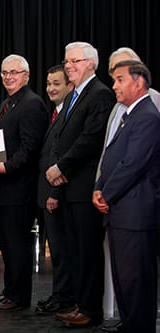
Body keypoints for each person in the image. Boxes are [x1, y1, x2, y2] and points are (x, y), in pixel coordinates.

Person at [45, 42, 115, 327]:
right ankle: (79, 303)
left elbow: (91, 138)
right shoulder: (75, 94)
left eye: (74, 61)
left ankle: (90, 310)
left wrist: (62, 167)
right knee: (76, 251)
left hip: (86, 188)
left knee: (88, 252)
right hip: (70, 187)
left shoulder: (99, 94)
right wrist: (59, 169)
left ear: (90, 63)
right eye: (66, 61)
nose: (68, 66)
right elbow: (62, 136)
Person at [94, 60, 160, 333]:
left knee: (136, 280)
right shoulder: (130, 114)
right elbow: (114, 158)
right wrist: (100, 188)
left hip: (135, 213)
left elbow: (132, 164)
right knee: (124, 279)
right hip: (122, 211)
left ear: (139, 82)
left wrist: (105, 192)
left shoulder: (147, 116)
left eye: (120, 79)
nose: (114, 86)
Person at [0, 54, 48, 312]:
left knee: (18, 245)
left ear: (26, 75)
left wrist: (7, 167)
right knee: (9, 245)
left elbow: (31, 148)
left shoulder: (32, 104)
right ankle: (10, 291)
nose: (8, 77)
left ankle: (19, 298)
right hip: (5, 189)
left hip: (19, 189)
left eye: (14, 72)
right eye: (4, 72)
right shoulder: (10, 103)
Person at [34, 65, 74, 316]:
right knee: (58, 253)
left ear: (70, 86)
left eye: (56, 83)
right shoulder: (56, 113)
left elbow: (62, 160)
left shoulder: (68, 115)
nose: (51, 88)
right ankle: (59, 296)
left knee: (62, 252)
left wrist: (54, 195)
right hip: (47, 194)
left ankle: (64, 299)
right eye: (48, 83)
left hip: (55, 196)